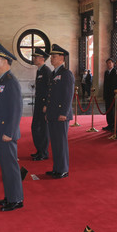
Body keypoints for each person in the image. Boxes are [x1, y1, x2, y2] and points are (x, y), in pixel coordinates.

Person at [0, 43, 24, 212]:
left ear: (4, 62)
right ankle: (9, 196)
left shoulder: (11, 82)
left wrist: (9, 132)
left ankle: (16, 199)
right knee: (5, 166)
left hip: (6, 132)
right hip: (0, 130)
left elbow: (16, 109)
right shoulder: (1, 80)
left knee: (10, 166)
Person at [44, 44, 74, 179]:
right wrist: (47, 111)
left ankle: (63, 169)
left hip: (61, 114)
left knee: (60, 143)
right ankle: (56, 168)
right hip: (52, 113)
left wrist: (64, 112)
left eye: (54, 56)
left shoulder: (66, 74)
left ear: (62, 58)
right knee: (55, 142)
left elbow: (68, 95)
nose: (51, 59)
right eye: (51, 56)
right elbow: (51, 94)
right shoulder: (54, 73)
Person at [30, 48, 52, 161]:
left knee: (43, 129)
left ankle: (43, 153)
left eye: (36, 57)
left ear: (42, 59)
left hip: (44, 105)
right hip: (38, 104)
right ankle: (39, 150)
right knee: (35, 127)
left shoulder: (46, 71)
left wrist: (46, 105)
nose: (34, 59)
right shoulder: (39, 70)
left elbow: (50, 89)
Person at [102, 58, 116, 131]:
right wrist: (104, 94)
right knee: (108, 110)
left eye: (110, 63)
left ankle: (113, 124)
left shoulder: (115, 72)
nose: (108, 64)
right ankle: (109, 124)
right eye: (107, 63)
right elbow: (105, 84)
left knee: (112, 111)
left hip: (112, 95)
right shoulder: (106, 72)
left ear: (113, 64)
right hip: (107, 95)